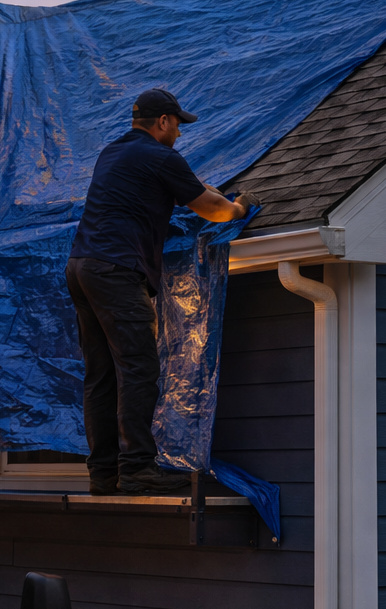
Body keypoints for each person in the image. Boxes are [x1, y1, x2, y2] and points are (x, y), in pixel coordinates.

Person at [66, 88, 252, 496]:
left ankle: (103, 474)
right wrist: (239, 206)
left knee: (101, 376)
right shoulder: (160, 157)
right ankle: (135, 469)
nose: (180, 135)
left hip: (82, 267)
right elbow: (213, 209)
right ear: (163, 122)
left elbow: (181, 188)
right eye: (177, 126)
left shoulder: (112, 154)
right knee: (139, 368)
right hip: (116, 271)